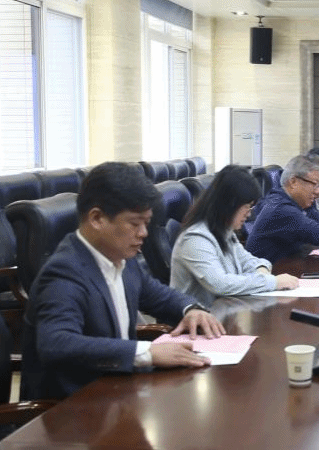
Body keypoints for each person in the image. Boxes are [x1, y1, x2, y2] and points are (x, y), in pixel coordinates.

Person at [21, 162, 225, 401]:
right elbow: (57, 343)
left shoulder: (120, 257)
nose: (144, 233)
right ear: (97, 218)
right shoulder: (64, 272)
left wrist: (190, 309)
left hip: (118, 391)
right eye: (135, 223)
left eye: (146, 223)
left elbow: (157, 294)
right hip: (74, 407)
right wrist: (147, 352)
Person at [170, 164, 299, 306]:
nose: (249, 214)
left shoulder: (224, 231)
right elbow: (220, 284)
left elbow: (247, 260)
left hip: (224, 311)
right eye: (246, 207)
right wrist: (273, 282)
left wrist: (260, 269)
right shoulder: (195, 239)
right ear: (229, 205)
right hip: (200, 317)